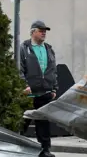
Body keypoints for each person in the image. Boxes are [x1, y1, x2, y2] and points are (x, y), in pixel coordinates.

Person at [19, 20, 58, 157]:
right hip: (29, 93)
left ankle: (45, 150)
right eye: (41, 30)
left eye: (45, 31)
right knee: (23, 122)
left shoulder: (48, 48)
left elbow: (53, 70)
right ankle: (15, 147)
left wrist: (54, 89)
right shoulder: (24, 48)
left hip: (45, 92)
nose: (44, 33)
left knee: (43, 122)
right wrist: (24, 85)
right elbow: (19, 69)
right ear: (33, 32)